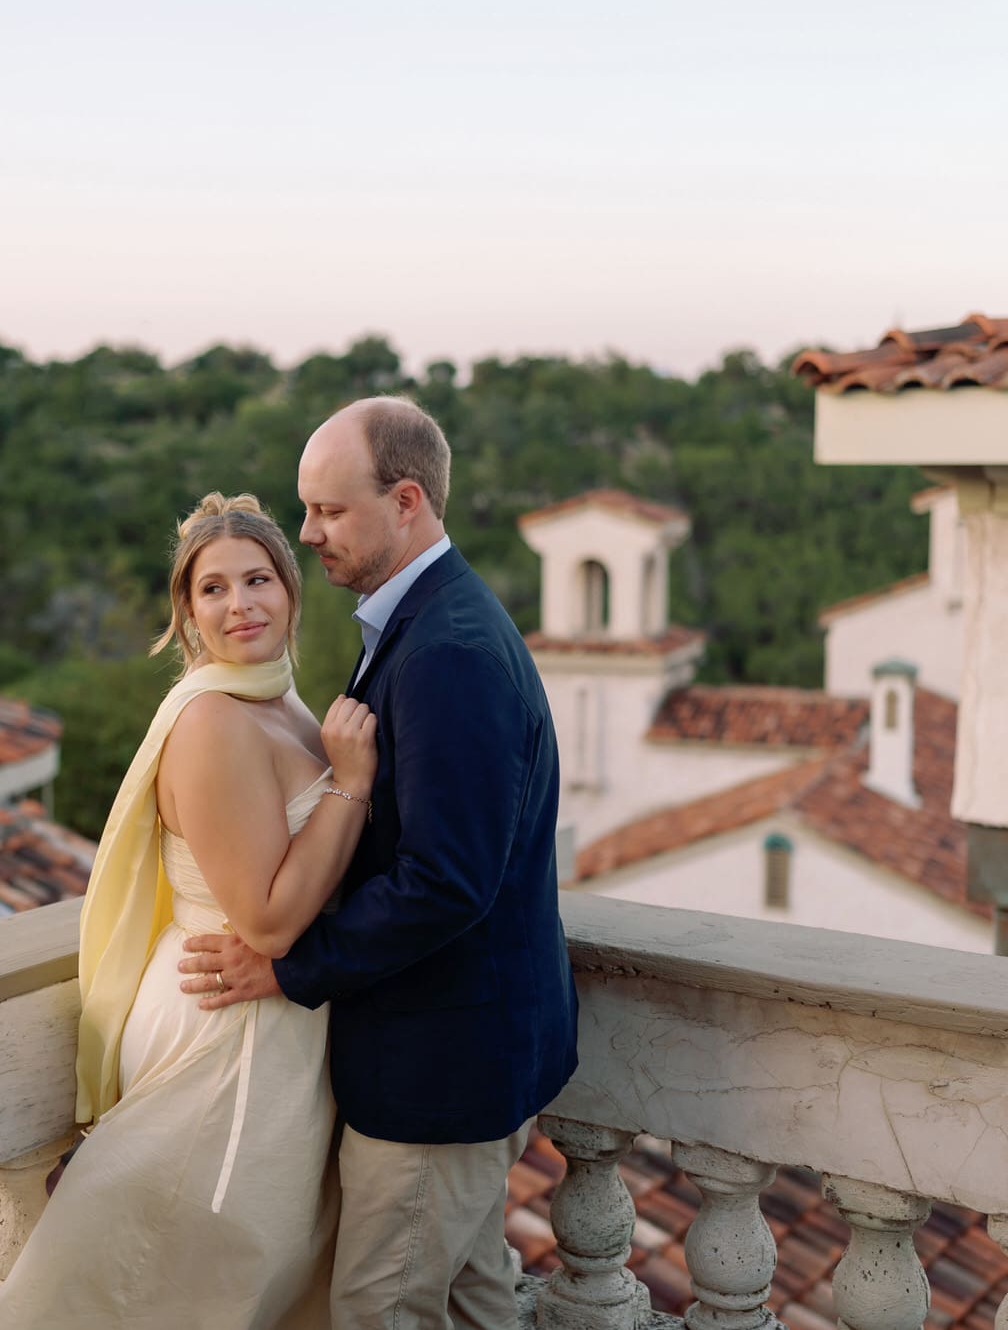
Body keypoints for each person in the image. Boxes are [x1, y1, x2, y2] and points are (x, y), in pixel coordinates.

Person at [179, 397, 580, 1329]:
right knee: (477, 1300)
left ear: (406, 501)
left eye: (328, 511)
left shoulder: (449, 652)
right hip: (459, 1056)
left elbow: (446, 880)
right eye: (307, 510)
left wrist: (288, 966)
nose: (308, 533)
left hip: (440, 1071)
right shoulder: (428, 619)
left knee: (377, 1309)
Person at [0, 493, 378, 1328]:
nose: (241, 605)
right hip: (223, 1020)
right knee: (176, 1278)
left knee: (243, 1276)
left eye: (259, 579)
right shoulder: (212, 722)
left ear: (291, 591)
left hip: (277, 1025)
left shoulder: (281, 702)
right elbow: (268, 922)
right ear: (187, 610)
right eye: (213, 589)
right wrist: (350, 781)